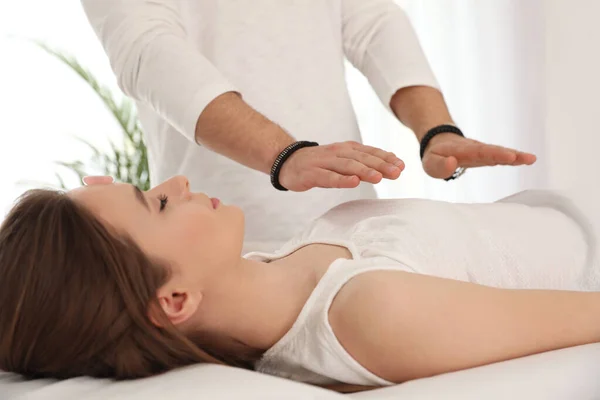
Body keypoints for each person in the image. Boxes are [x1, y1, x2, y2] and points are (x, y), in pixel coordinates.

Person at [0, 175, 598, 392]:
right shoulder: (371, 313)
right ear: (175, 299)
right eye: (157, 205)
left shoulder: (262, 273)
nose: (178, 182)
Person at [81, 1, 536, 252]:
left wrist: (438, 132)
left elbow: (374, 22)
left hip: (357, 229)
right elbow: (149, 53)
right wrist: (285, 154)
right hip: (227, 246)